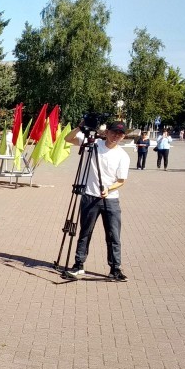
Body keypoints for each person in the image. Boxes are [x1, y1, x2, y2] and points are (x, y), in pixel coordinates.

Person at [64, 120, 130, 282]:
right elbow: (68, 138)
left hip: (111, 200)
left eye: (120, 134)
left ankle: (115, 269)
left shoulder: (123, 155)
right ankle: (78, 265)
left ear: (123, 137)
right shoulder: (92, 145)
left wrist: (109, 189)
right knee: (85, 232)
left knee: (113, 236)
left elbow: (121, 180)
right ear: (106, 132)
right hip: (89, 196)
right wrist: (81, 126)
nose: (116, 136)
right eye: (113, 132)